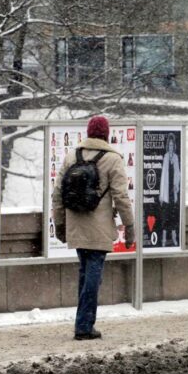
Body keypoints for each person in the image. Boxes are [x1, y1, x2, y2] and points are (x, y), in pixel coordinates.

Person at [52, 115, 135, 340]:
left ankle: (84, 322)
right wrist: (129, 226)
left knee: (85, 272)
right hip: (98, 228)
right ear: (106, 134)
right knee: (93, 276)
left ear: (88, 133)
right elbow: (121, 196)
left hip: (77, 225)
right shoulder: (112, 159)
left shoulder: (72, 156)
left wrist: (59, 223)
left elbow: (57, 193)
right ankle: (84, 326)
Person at [159, 133, 181, 247]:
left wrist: (177, 185)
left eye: (173, 145)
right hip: (166, 192)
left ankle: (174, 238)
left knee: (173, 216)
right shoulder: (166, 157)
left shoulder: (176, 158)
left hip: (173, 192)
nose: (171, 147)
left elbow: (178, 174)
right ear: (168, 146)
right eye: (170, 145)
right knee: (165, 216)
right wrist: (161, 195)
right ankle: (163, 239)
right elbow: (163, 177)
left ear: (174, 146)